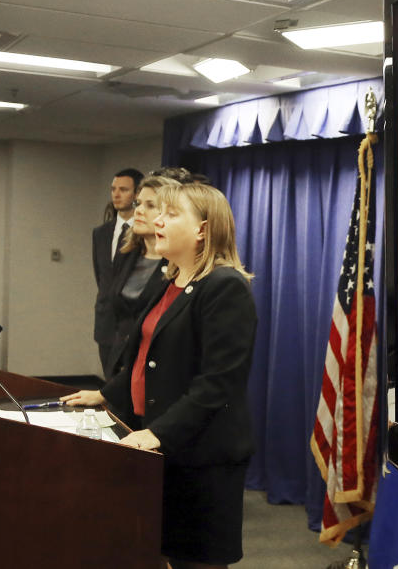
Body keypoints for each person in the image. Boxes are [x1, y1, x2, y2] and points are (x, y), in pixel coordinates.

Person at [64, 183, 257, 568]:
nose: (157, 221)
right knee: (162, 553)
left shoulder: (224, 286)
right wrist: (107, 393)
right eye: (158, 213)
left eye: (170, 214)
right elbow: (146, 357)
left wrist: (158, 433)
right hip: (163, 447)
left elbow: (218, 381)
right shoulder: (173, 281)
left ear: (202, 229)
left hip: (200, 454)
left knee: (194, 560)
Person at [103, 174, 180, 379]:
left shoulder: (178, 265)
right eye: (138, 203)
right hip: (119, 364)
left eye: (150, 205)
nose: (138, 210)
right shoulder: (126, 254)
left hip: (155, 370)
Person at [93, 168, 144, 377]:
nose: (116, 194)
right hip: (105, 321)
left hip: (132, 321)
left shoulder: (144, 233)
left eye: (123, 189)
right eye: (113, 189)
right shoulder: (101, 233)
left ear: (136, 194)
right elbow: (101, 276)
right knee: (109, 381)